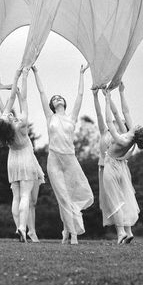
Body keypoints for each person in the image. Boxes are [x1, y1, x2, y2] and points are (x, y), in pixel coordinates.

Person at [32, 63, 94, 245]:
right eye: (54, 99)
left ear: (64, 103)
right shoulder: (50, 117)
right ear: (51, 105)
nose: (57, 99)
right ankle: (73, 235)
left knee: (75, 195)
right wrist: (36, 73)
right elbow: (42, 93)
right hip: (54, 161)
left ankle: (66, 230)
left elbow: (80, 96)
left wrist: (82, 74)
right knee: (63, 197)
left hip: (70, 160)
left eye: (60, 98)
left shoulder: (72, 117)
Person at [0, 68, 44, 243]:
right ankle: (22, 227)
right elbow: (22, 101)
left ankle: (18, 227)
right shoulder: (20, 125)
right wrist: (19, 78)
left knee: (16, 196)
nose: (11, 115)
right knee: (26, 196)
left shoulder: (4, 129)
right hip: (26, 158)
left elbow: (7, 106)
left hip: (12, 160)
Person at [102, 87, 143, 244]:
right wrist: (120, 92)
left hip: (111, 166)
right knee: (124, 197)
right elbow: (124, 112)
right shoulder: (132, 135)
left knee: (114, 200)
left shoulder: (124, 139)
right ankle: (128, 231)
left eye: (140, 126)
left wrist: (107, 100)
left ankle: (121, 232)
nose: (138, 124)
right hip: (122, 168)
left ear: (139, 132)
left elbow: (110, 122)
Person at [92, 82, 129, 233]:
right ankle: (122, 231)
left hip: (118, 168)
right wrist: (96, 97)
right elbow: (100, 114)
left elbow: (115, 114)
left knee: (122, 198)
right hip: (103, 168)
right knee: (111, 201)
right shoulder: (103, 132)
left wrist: (109, 98)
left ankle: (126, 231)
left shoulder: (121, 132)